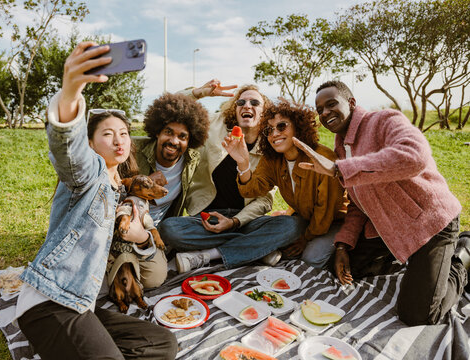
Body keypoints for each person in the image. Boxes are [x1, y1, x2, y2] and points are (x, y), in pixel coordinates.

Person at [16, 41, 177, 360]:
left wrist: (142, 234)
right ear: (90, 143)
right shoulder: (88, 176)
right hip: (50, 301)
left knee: (164, 345)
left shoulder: (124, 190)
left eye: (124, 133)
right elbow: (67, 151)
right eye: (107, 134)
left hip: (82, 303)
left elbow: (146, 244)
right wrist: (71, 92)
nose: (118, 140)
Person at [294, 79, 467, 326]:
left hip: (431, 225)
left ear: (351, 103)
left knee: (419, 314)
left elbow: (414, 156)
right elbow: (357, 203)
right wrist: (343, 245)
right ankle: (411, 264)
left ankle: (462, 255)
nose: (325, 113)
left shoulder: (384, 120)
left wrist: (338, 170)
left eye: (331, 104)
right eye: (319, 109)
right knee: (345, 269)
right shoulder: (342, 149)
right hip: (390, 230)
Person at [158, 80, 306, 273]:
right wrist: (199, 92)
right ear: (234, 109)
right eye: (241, 102)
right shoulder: (213, 124)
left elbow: (264, 200)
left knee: (293, 225)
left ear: (264, 113)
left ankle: (209, 254)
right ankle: (256, 248)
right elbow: (170, 109)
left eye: (254, 103)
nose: (247, 106)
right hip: (207, 219)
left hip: (245, 221)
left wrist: (235, 222)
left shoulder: (270, 148)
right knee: (169, 229)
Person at [222, 98, 347, 269]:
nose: (274, 134)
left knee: (310, 259)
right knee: (285, 235)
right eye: (269, 129)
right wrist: (243, 162)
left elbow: (325, 212)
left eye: (282, 126)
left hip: (334, 221)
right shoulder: (273, 159)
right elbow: (251, 190)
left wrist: (305, 238)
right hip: (302, 219)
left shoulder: (322, 158)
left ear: (298, 127)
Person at [133, 92, 210, 225]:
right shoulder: (133, 149)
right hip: (128, 222)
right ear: (157, 132)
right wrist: (145, 182)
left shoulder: (192, 161)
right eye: (168, 132)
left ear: (190, 141)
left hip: (162, 230)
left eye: (182, 137)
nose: (174, 141)